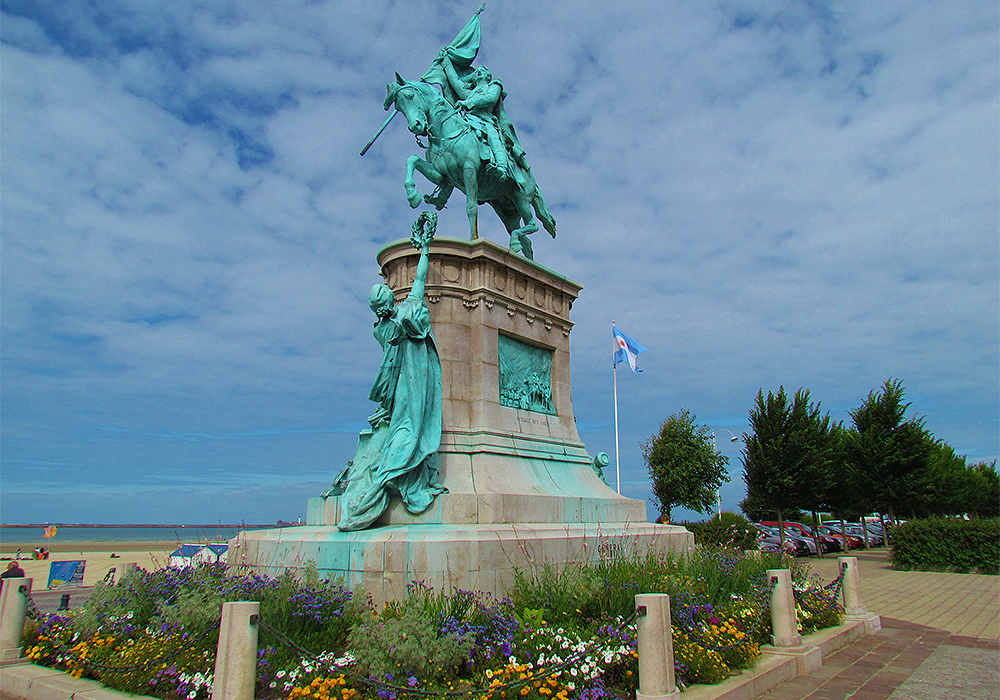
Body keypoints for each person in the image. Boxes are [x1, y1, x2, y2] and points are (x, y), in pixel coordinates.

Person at [335, 225, 446, 531]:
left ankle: (383, 481)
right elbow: (420, 281)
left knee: (406, 433)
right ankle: (385, 482)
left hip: (402, 388)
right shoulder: (407, 313)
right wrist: (424, 249)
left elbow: (419, 281)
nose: (383, 308)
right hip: (413, 386)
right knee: (408, 434)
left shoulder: (383, 326)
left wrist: (424, 250)